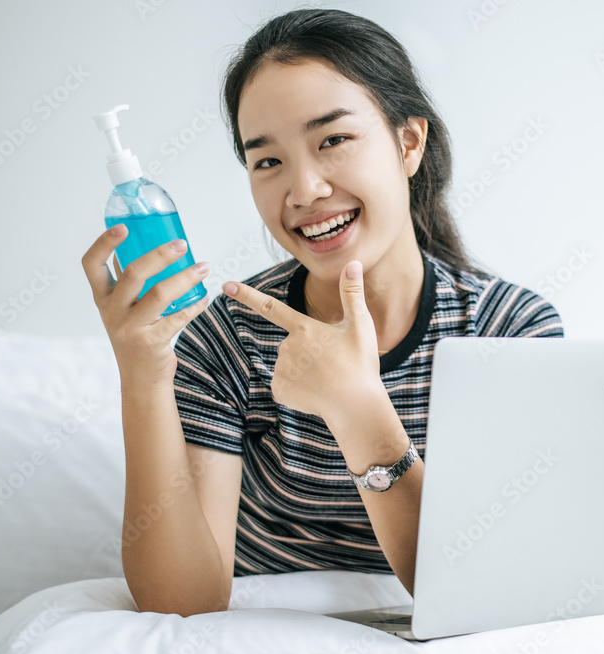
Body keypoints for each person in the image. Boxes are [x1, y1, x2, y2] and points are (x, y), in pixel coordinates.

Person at [81, 8, 563, 618]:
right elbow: (183, 604)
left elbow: (488, 583)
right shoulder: (230, 337)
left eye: (333, 140)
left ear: (408, 143)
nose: (304, 189)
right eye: (268, 161)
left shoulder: (510, 331)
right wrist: (142, 375)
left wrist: (357, 408)